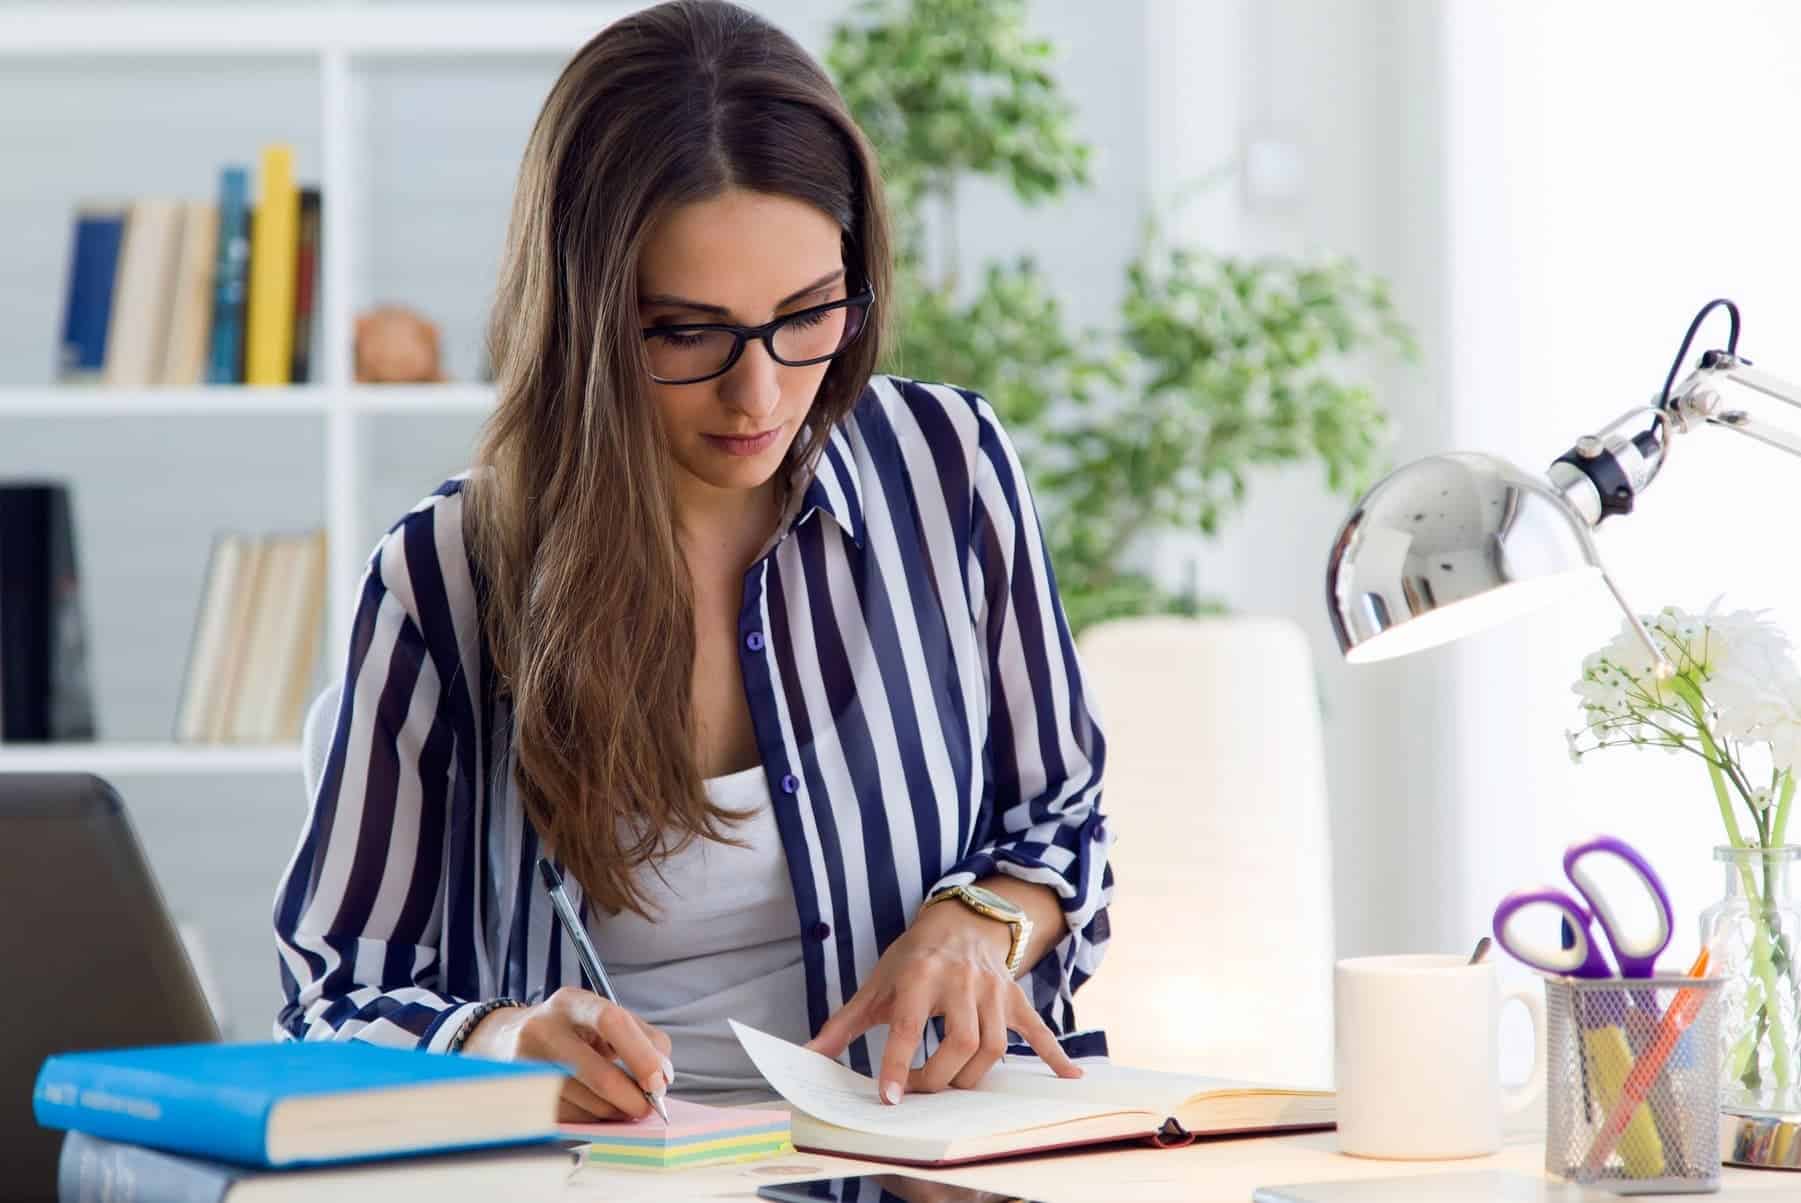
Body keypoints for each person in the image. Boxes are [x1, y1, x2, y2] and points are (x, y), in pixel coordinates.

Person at [272, 0, 1112, 1123]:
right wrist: (503, 1041)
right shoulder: (446, 579)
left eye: (808, 315)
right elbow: (335, 993)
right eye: (685, 333)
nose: (758, 394)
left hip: (932, 1165)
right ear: (580, 317)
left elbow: (1060, 813)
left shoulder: (948, 466)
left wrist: (983, 921)